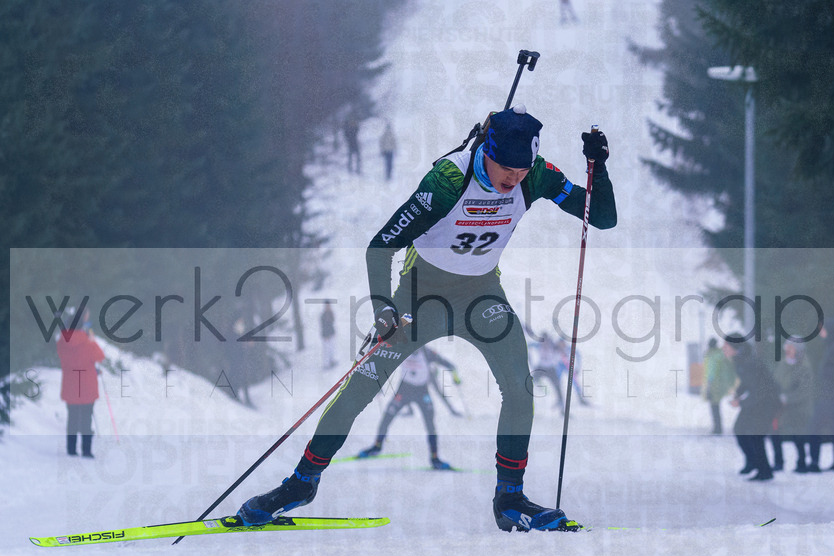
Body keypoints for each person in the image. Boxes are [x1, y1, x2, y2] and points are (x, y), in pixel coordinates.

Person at [238, 104, 617, 531]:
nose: (514, 178)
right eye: (507, 169)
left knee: (520, 386)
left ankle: (510, 498)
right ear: (487, 152)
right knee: (362, 385)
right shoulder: (448, 180)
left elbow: (602, 218)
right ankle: (302, 482)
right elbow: (381, 246)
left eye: (522, 170)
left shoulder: (537, 175)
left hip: (481, 296)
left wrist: (597, 169)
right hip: (421, 297)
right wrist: (383, 308)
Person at [357, 346, 460, 469]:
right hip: (404, 390)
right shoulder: (401, 350)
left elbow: (449, 365)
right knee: (387, 417)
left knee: (430, 424)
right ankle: (377, 446)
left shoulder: (427, 352)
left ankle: (435, 458)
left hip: (422, 391)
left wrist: (456, 377)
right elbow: (383, 364)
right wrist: (376, 381)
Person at [723, 340, 780, 481]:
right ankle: (753, 462)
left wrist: (740, 402)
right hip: (757, 401)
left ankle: (764, 471)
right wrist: (739, 392)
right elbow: (747, 382)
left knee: (756, 435)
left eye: (726, 346)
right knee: (740, 428)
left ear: (735, 347)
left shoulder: (749, 362)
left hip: (766, 402)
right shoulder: (740, 360)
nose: (723, 348)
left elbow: (760, 389)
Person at [56, 307, 105, 458]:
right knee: (86, 418)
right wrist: (92, 339)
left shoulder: (62, 342)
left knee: (72, 417)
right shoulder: (87, 342)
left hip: (70, 384)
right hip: (87, 385)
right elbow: (100, 356)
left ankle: (71, 449)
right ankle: (86, 450)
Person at [807, 323, 834, 471]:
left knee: (816, 428)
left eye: (823, 330)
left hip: (830, 397)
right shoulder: (833, 347)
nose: (821, 334)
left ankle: (815, 463)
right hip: (832, 396)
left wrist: (824, 379)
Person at [769, 340, 814, 471]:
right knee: (775, 431)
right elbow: (776, 381)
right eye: (787, 348)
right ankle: (778, 462)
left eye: (791, 348)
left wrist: (787, 398)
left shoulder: (804, 367)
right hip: (782, 408)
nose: (787, 351)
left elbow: (804, 391)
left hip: (799, 408)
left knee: (797, 434)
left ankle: (801, 462)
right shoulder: (783, 364)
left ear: (798, 350)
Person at [702, 338, 735, 435]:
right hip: (720, 383)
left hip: (714, 383)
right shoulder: (720, 354)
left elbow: (711, 371)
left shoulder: (712, 355)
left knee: (714, 406)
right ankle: (718, 427)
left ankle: (717, 428)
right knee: (716, 405)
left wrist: (709, 383)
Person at [529, 332, 566, 413]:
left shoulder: (553, 345)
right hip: (540, 367)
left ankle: (562, 407)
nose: (544, 343)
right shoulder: (538, 345)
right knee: (530, 382)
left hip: (550, 369)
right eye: (543, 341)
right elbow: (529, 345)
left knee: (558, 387)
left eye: (546, 341)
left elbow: (561, 349)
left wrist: (561, 348)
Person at [320, 302, 337, 370]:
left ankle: (331, 361)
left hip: (331, 333)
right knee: (326, 350)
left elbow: (332, 323)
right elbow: (323, 326)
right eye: (327, 306)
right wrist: (325, 335)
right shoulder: (323, 315)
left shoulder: (331, 313)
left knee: (331, 349)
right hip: (326, 335)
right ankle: (326, 364)